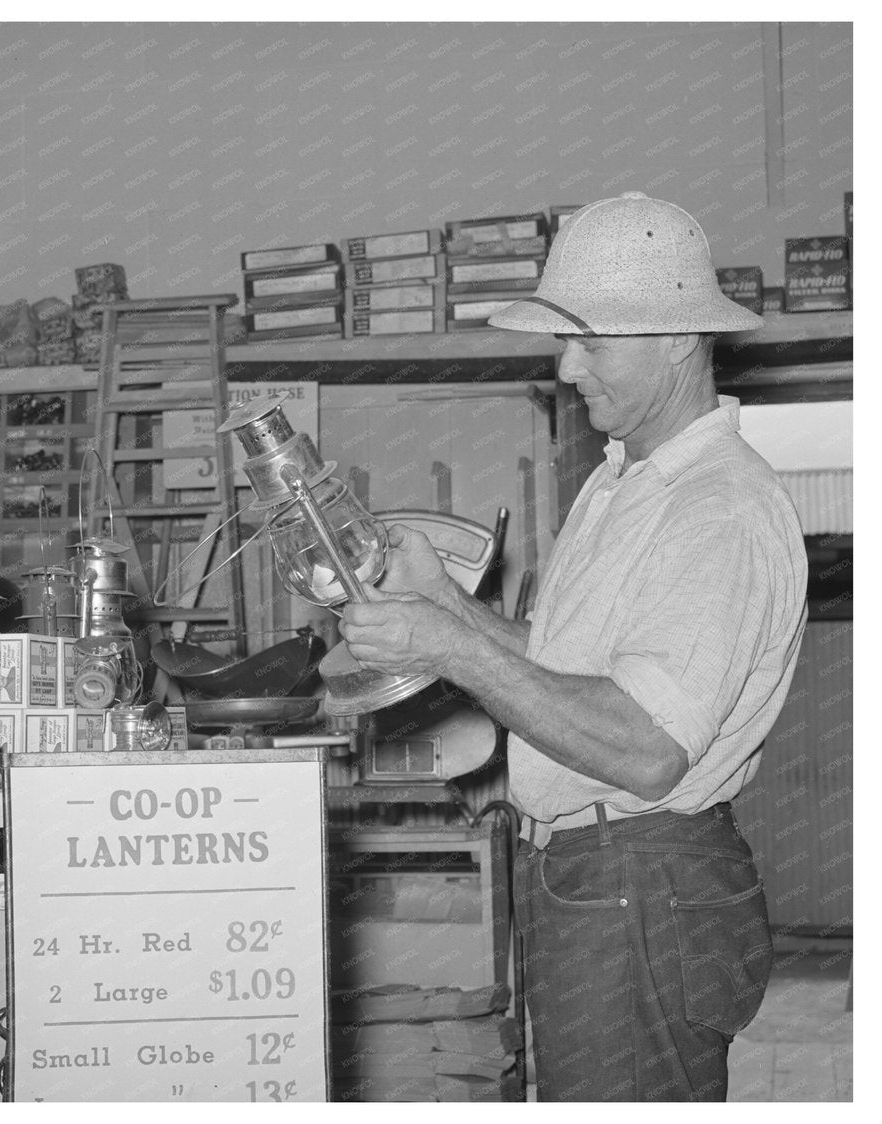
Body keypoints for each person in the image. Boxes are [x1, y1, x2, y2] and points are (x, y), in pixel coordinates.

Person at [339, 191, 808, 1101]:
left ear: (678, 338)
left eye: (591, 340)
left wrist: (450, 649)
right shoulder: (625, 480)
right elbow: (576, 676)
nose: (566, 365)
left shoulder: (718, 510)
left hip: (643, 879)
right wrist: (449, 606)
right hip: (596, 876)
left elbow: (642, 746)